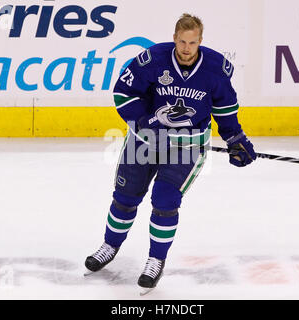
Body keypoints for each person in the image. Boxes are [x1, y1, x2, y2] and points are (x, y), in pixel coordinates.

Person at [85, 13, 256, 291]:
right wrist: (143, 124)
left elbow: (225, 110)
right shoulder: (152, 60)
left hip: (186, 145)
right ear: (174, 38)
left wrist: (235, 139)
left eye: (192, 42)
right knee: (125, 198)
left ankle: (155, 260)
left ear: (200, 41)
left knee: (165, 200)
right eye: (182, 41)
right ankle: (109, 245)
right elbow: (123, 94)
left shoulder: (215, 69)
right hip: (145, 140)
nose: (186, 48)